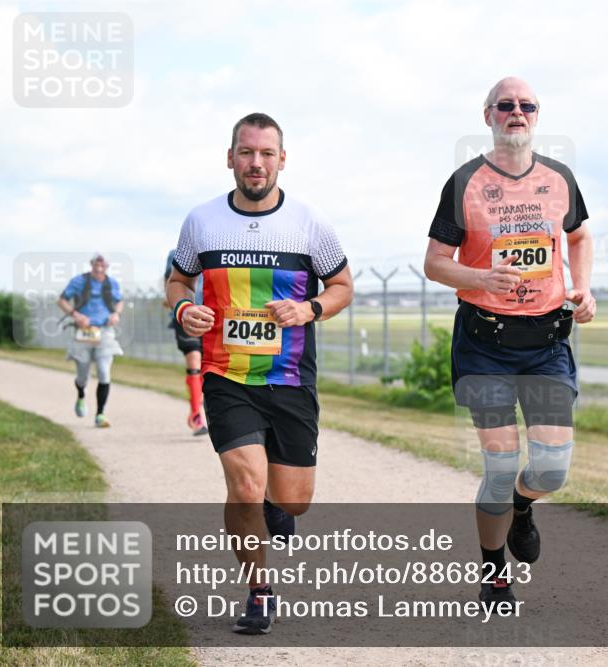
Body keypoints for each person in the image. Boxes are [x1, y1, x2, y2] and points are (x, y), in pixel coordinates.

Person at [166, 113, 353, 635]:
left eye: (266, 154)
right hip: (227, 377)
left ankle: (277, 505)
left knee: (293, 500)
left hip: (291, 378)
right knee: (246, 486)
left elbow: (342, 285)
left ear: (282, 160)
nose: (256, 163)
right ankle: (259, 591)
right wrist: (184, 310)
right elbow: (178, 280)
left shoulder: (309, 222)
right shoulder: (201, 222)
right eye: (246, 152)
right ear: (230, 158)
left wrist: (310, 309)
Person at [423, 77, 595, 605]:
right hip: (485, 345)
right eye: (506, 105)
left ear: (537, 116)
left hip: (546, 344)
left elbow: (580, 235)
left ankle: (523, 505)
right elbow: (434, 263)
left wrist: (581, 286)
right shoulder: (464, 182)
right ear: (488, 116)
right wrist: (480, 279)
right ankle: (494, 571)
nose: (516, 112)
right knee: (499, 465)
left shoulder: (560, 178)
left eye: (526, 105)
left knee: (551, 470)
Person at [57, 253, 125, 428]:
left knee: (104, 371)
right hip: (84, 332)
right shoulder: (78, 281)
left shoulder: (112, 283)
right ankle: (81, 395)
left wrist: (116, 314)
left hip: (105, 331)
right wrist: (76, 315)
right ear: (92, 265)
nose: (100, 267)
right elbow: (61, 300)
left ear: (107, 266)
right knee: (82, 375)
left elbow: (120, 302)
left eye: (103, 264)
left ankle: (100, 414)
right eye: (97, 264)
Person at [165, 249, 208, 436]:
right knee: (194, 361)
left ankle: (202, 406)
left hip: (214, 316)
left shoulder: (219, 248)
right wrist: (173, 302)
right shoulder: (176, 253)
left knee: (208, 366)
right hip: (187, 314)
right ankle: (196, 415)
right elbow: (171, 280)